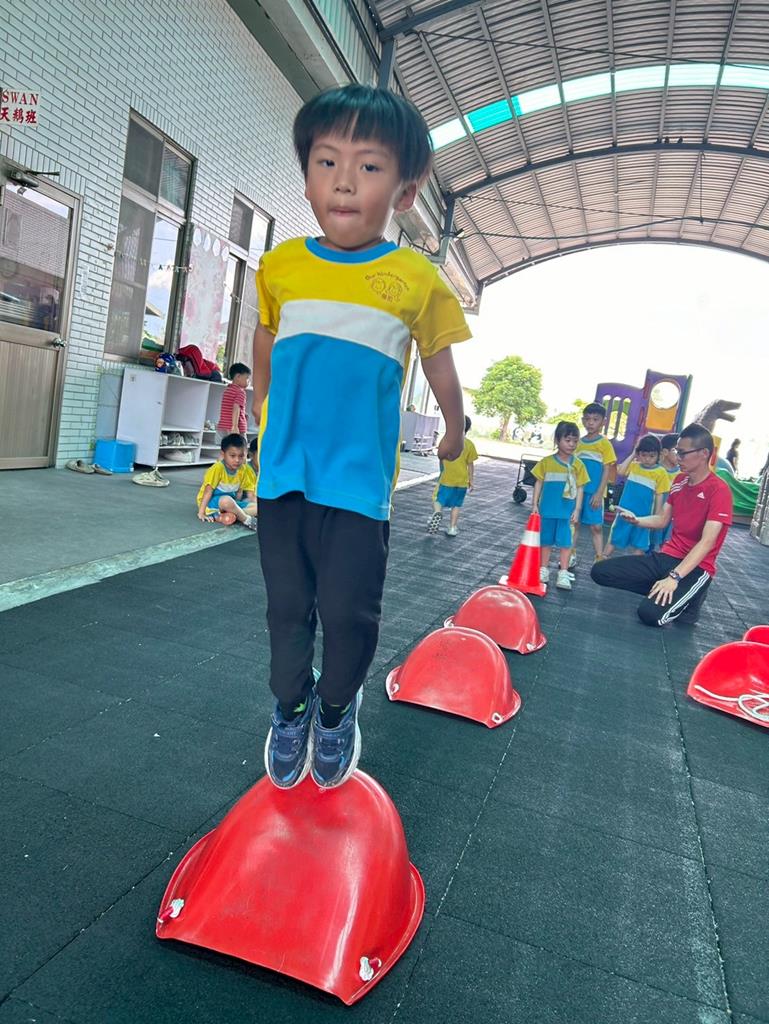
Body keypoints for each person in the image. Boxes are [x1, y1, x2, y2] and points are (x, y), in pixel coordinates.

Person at [252, 84, 470, 790]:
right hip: (283, 475)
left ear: (405, 192)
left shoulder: (414, 278)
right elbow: (265, 333)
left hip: (357, 485)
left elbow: (438, 358)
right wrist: (258, 401)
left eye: (369, 166)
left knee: (348, 613)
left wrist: (456, 426)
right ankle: (291, 707)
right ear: (307, 176)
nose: (343, 181)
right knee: (287, 610)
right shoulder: (282, 265)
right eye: (326, 162)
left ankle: (337, 708)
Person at [591, 423, 733, 626]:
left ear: (703, 453)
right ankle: (668, 590)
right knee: (600, 572)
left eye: (682, 453)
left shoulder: (719, 490)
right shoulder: (679, 481)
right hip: (667, 557)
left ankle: (690, 596)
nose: (677, 457)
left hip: (698, 567)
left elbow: (707, 542)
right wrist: (637, 520)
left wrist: (674, 577)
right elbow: (662, 519)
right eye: (676, 451)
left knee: (650, 615)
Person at [531, 421, 589, 591]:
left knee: (566, 543)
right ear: (557, 440)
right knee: (545, 541)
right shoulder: (546, 462)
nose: (571, 444)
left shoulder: (578, 465)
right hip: (547, 511)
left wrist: (577, 509)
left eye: (575, 441)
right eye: (567, 440)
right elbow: (538, 483)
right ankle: (543, 569)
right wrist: (534, 504)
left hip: (567, 513)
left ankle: (563, 572)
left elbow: (580, 488)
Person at [603, 434, 669, 557]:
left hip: (644, 517)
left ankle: (633, 566)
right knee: (614, 538)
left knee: (640, 545)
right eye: (643, 455)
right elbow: (620, 471)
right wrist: (633, 453)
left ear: (658, 455)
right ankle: (602, 559)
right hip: (624, 513)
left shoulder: (661, 473)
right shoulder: (634, 466)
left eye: (652, 456)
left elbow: (659, 496)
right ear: (638, 454)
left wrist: (656, 517)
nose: (647, 459)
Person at [571, 403, 616, 567]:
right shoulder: (578, 443)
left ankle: (599, 558)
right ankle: (570, 554)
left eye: (595, 419)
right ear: (583, 420)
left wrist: (599, 493)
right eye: (587, 419)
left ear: (603, 422)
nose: (591, 423)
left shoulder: (604, 444)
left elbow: (607, 470)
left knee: (596, 527)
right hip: (578, 492)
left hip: (594, 493)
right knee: (574, 523)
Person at [427, 415, 477, 537]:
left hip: (446, 479)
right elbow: (470, 465)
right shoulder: (470, 444)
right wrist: (471, 480)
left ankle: (437, 512)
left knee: (437, 499)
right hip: (462, 482)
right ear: (468, 429)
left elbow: (440, 456)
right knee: (457, 505)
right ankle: (452, 527)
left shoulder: (447, 441)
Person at [196, 433, 258, 528]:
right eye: (232, 456)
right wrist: (201, 512)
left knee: (258, 508)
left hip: (231, 503)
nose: (237, 460)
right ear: (223, 454)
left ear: (246, 454)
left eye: (241, 456)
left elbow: (243, 492)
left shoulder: (243, 469)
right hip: (212, 502)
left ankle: (232, 515)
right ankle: (247, 520)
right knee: (226, 500)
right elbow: (208, 491)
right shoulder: (217, 468)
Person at [649, 432, 679, 550]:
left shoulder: (681, 474)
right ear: (665, 452)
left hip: (671, 517)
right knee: (648, 545)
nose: (680, 456)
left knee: (666, 545)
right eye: (677, 451)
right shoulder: (655, 470)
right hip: (654, 514)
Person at [217, 363, 251, 440]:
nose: (248, 381)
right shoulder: (240, 392)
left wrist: (243, 414)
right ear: (238, 377)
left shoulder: (227, 390)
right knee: (241, 447)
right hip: (236, 428)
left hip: (222, 426)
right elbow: (236, 408)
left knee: (224, 446)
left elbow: (228, 407)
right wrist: (235, 426)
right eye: (247, 378)